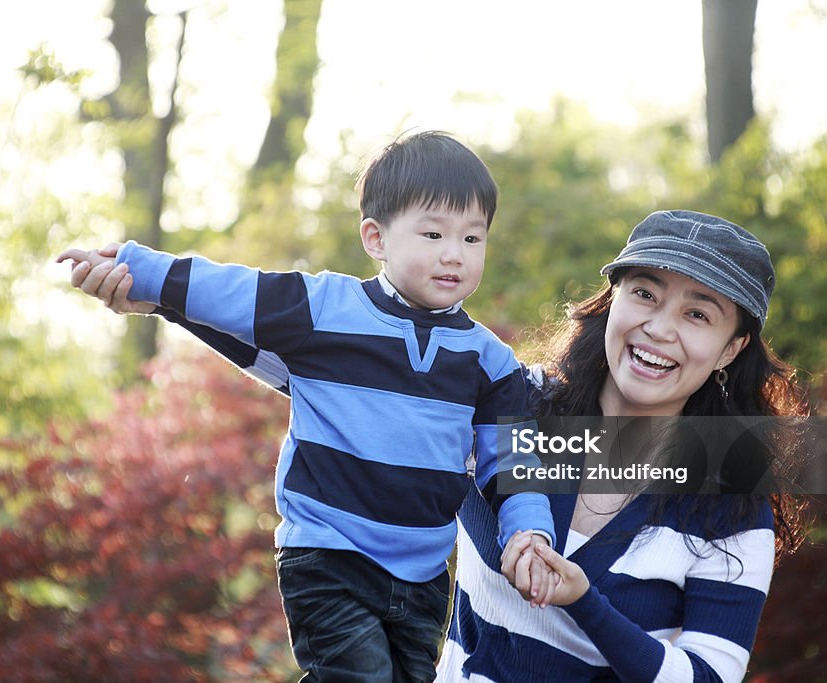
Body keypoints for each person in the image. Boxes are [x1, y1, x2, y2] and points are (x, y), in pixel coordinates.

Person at [72, 209, 805, 682]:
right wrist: (161, 295)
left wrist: (586, 603)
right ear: (612, 302)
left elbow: (707, 677)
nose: (659, 327)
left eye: (697, 313)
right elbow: (333, 373)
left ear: (732, 346)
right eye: (644, 294)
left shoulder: (731, 507)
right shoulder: (509, 404)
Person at [57, 131, 558, 683]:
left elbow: (513, 460)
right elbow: (230, 292)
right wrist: (135, 268)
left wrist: (528, 532)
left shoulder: (489, 360)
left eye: (472, 237)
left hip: (423, 577)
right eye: (433, 232)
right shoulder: (325, 308)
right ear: (376, 237)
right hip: (329, 556)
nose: (453, 253)